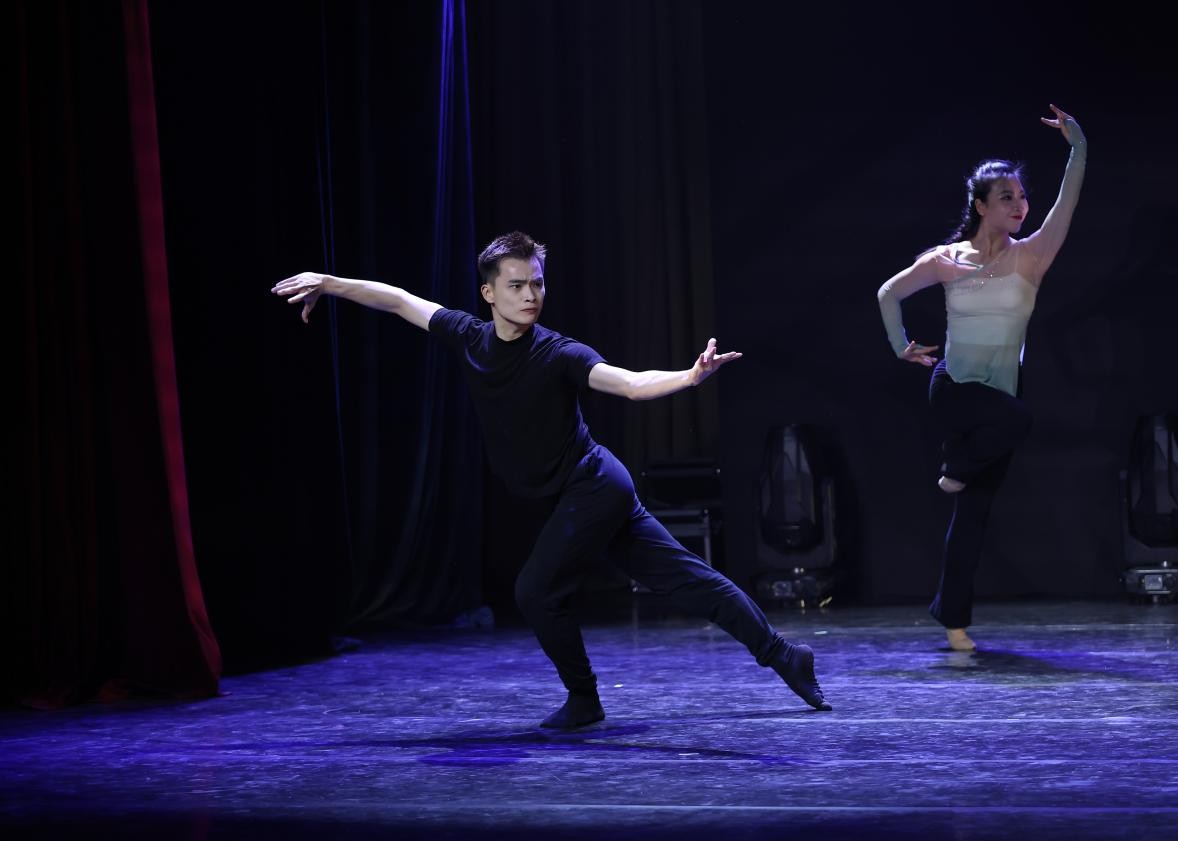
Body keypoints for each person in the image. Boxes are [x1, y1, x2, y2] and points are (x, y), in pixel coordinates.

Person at [272, 231, 830, 727]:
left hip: (595, 487)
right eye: (516, 285)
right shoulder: (468, 336)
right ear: (489, 293)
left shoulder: (558, 353)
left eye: (537, 283)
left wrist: (689, 377)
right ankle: (785, 655)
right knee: (689, 579)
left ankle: (584, 699)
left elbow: (628, 384)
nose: (531, 295)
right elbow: (397, 300)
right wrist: (329, 283)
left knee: (535, 591)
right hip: (579, 492)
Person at [875, 105, 1087, 652]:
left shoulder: (1033, 256)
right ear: (981, 206)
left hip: (1000, 399)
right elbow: (888, 293)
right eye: (1007, 197)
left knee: (973, 514)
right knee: (1018, 421)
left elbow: (1066, 204)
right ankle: (958, 465)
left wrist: (1078, 147)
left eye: (1022, 197)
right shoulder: (947, 260)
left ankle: (953, 621)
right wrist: (901, 347)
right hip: (955, 391)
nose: (1020, 205)